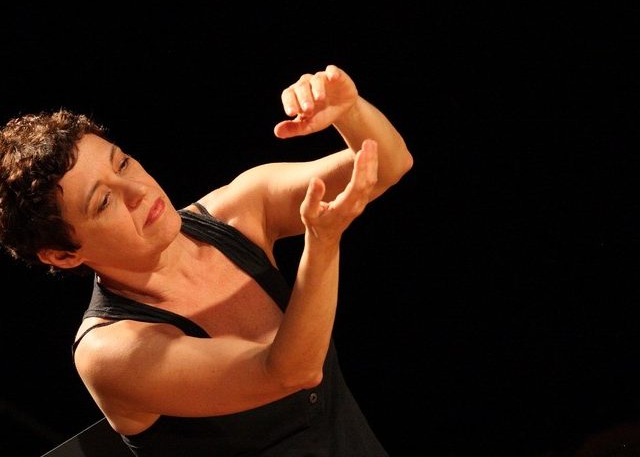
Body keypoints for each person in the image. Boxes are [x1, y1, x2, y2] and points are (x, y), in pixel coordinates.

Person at [0, 64, 413, 456]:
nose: (137, 191)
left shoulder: (237, 210)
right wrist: (322, 244)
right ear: (64, 255)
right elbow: (290, 373)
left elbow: (389, 165)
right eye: (105, 201)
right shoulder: (109, 351)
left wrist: (350, 111)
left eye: (122, 163)